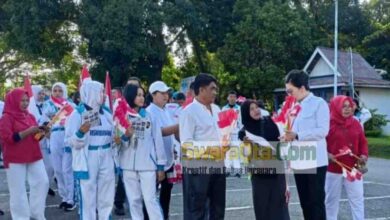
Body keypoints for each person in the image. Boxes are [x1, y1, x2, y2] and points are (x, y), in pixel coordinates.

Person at [281, 70, 330, 220]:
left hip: (315, 161)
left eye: (291, 91)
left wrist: (297, 135)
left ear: (302, 88)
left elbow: (323, 131)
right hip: (299, 160)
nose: (289, 94)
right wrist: (286, 136)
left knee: (316, 202)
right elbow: (290, 129)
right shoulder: (292, 107)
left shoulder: (318, 104)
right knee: (305, 202)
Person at [65, 80, 116, 220]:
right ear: (91, 93)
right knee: (88, 195)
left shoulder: (106, 112)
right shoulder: (77, 114)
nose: (104, 95)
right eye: (101, 91)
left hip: (106, 155)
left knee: (107, 192)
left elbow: (113, 134)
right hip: (88, 157)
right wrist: (80, 133)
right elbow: (69, 141)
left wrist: (116, 138)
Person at [179, 73, 226, 220]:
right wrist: (210, 150)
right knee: (196, 209)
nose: (215, 92)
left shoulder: (217, 109)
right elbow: (186, 144)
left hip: (218, 165)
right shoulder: (189, 112)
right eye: (212, 89)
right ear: (201, 89)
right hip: (198, 167)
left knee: (217, 207)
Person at [0, 88, 49, 220]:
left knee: (42, 182)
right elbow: (8, 139)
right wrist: (28, 131)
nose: (25, 103)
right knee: (18, 191)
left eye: (27, 100)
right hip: (14, 158)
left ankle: (36, 213)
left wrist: (43, 133)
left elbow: (36, 137)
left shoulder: (30, 116)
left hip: (34, 155)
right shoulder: (6, 117)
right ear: (13, 100)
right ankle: (21, 217)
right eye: (22, 100)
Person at [119, 84, 166, 220]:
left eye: (142, 95)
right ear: (130, 96)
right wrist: (126, 136)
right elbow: (116, 143)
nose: (141, 98)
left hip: (147, 166)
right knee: (134, 201)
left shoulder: (150, 116)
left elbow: (158, 141)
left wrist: (160, 166)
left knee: (150, 200)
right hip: (127, 166)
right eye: (138, 95)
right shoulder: (122, 117)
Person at [238, 100, 290, 220]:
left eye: (257, 107)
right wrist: (247, 144)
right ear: (246, 113)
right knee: (263, 207)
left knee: (279, 207)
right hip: (259, 174)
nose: (256, 110)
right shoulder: (244, 132)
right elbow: (245, 154)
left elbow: (282, 147)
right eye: (251, 109)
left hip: (277, 172)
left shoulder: (271, 123)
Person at [326, 95, 368, 220]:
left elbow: (363, 142)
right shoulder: (328, 124)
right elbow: (321, 143)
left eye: (349, 106)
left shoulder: (356, 123)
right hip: (333, 169)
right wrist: (326, 154)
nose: (347, 109)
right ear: (335, 107)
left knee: (357, 199)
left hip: (353, 168)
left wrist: (364, 155)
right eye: (343, 106)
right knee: (331, 201)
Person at [147, 81, 179, 220]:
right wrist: (179, 126)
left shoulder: (166, 110)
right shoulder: (149, 112)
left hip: (169, 159)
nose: (166, 96)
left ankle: (164, 217)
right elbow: (159, 133)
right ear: (153, 95)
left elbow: (171, 132)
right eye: (162, 93)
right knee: (150, 196)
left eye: (167, 93)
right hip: (155, 161)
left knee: (166, 193)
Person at [43, 82, 76, 211]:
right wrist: (45, 133)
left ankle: (71, 198)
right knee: (58, 170)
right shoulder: (47, 105)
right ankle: (64, 197)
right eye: (55, 90)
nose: (57, 93)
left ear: (65, 92)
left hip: (66, 137)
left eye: (60, 91)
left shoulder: (71, 106)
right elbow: (43, 122)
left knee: (67, 169)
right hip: (54, 138)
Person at [32, 85, 56, 196]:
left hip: (47, 138)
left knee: (50, 166)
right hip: (34, 139)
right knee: (36, 167)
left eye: (43, 93)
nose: (42, 95)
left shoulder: (48, 105)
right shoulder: (29, 107)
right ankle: (39, 188)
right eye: (39, 93)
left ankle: (47, 185)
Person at [222, 90, 242, 177]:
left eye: (234, 97)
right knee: (227, 152)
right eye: (230, 97)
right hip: (227, 133)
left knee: (236, 151)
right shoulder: (224, 109)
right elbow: (222, 122)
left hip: (236, 133)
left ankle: (237, 170)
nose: (232, 98)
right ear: (227, 98)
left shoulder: (239, 108)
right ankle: (228, 169)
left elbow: (241, 121)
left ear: (236, 98)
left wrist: (241, 131)